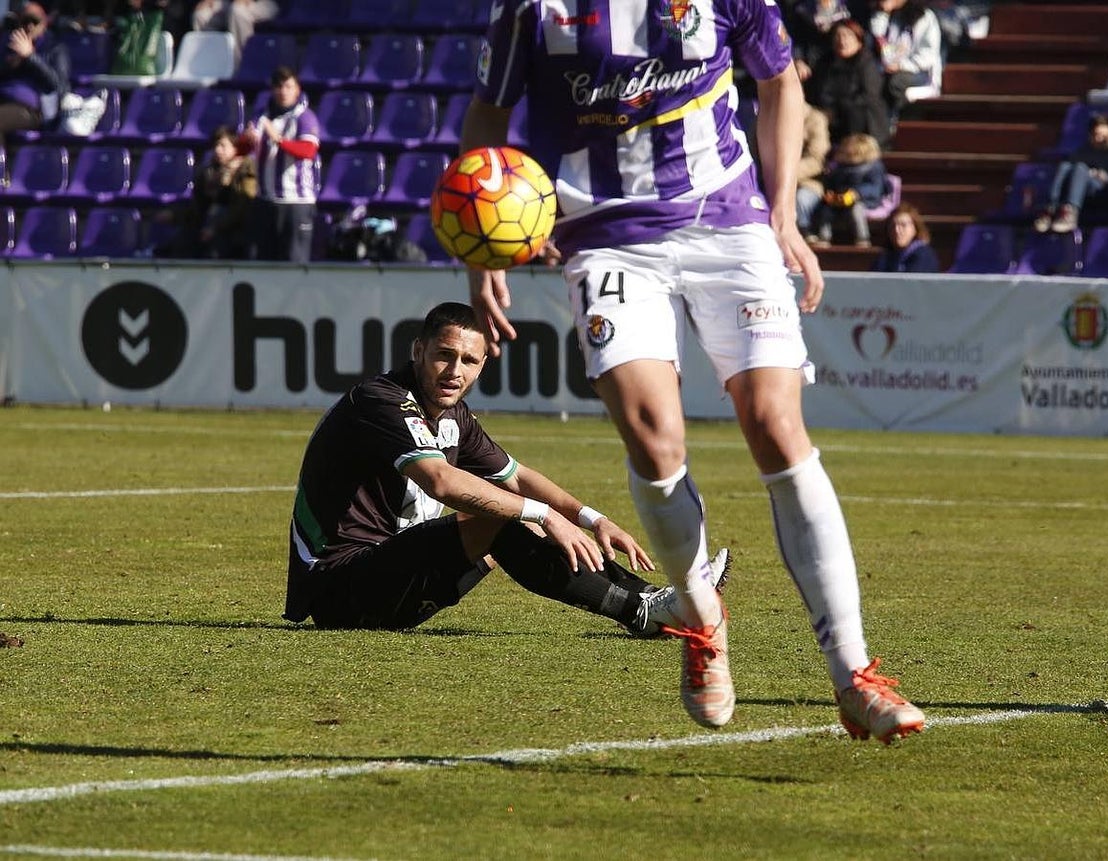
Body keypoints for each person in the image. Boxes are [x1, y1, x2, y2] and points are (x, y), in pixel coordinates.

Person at [462, 0, 925, 741]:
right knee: (655, 441)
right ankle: (699, 610)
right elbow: (488, 113)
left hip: (730, 221)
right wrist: (477, 253)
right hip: (606, 235)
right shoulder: (530, 8)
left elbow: (780, 83)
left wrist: (781, 215)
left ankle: (854, 674)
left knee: (776, 423)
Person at [284, 301, 729, 636]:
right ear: (418, 350)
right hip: (339, 589)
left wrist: (593, 519)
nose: (453, 371)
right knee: (503, 518)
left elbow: (516, 476)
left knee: (509, 515)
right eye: (444, 354)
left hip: (396, 585)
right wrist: (539, 514)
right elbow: (440, 481)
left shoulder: (454, 416)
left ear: (482, 365)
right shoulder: (380, 400)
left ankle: (654, 602)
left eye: (469, 361)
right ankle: (645, 609)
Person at [239, 65, 319, 263]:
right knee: (262, 261)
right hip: (265, 200)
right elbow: (242, 150)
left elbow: (308, 150)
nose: (283, 92)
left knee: (293, 263)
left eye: (289, 87)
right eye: (279, 87)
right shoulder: (261, 117)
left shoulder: (304, 118)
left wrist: (280, 140)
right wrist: (245, 140)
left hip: (295, 202)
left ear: (297, 89)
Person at [1033, 113, 1108, 235]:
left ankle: (1070, 212)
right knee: (1065, 166)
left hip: (1104, 192)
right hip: (1080, 190)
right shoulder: (1084, 151)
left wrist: (1101, 176)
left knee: (1081, 168)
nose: (1099, 139)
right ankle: (1049, 209)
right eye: (1096, 135)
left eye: (1104, 136)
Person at [805, 17, 890, 148]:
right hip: (828, 118)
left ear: (859, 41)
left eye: (847, 36)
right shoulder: (824, 63)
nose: (842, 41)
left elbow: (869, 96)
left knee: (855, 112)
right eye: (838, 36)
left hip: (861, 122)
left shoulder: (867, 63)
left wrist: (836, 110)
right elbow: (815, 92)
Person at [0, 2, 69, 144]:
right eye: (25, 21)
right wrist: (9, 65)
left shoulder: (55, 48)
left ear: (44, 23)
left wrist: (30, 57)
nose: (29, 26)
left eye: (35, 21)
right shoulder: (9, 44)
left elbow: (60, 86)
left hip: (33, 110)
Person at [187, 125, 256, 259]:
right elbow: (199, 205)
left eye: (223, 146)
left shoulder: (246, 169)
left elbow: (241, 208)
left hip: (235, 230)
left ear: (235, 147)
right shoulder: (209, 172)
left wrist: (215, 228)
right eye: (215, 146)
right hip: (210, 226)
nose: (218, 150)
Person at [808, 132, 888, 246]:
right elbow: (831, 183)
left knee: (856, 210)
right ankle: (824, 236)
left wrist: (857, 193)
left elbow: (875, 188)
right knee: (825, 209)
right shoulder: (839, 168)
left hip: (863, 200)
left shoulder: (873, 167)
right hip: (839, 199)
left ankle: (862, 238)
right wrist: (831, 194)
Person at [869, 0, 943, 123]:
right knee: (871, 82)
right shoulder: (885, 16)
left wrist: (901, 65)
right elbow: (878, 37)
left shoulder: (925, 16)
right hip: (888, 69)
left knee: (896, 82)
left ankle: (900, 124)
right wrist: (882, 12)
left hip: (919, 72)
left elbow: (929, 55)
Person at [191, 0, 278, 64]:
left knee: (238, 12)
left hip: (264, 3)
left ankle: (242, 64)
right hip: (231, 3)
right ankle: (209, 64)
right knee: (201, 14)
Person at [796, 102, 832, 239]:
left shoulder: (815, 118)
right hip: (768, 178)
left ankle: (806, 232)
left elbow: (817, 159)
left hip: (808, 182)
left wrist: (784, 176)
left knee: (801, 199)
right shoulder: (766, 113)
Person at [871, 202, 939, 271]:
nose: (897, 230)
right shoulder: (885, 257)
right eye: (892, 226)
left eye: (903, 225)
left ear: (915, 228)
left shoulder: (924, 256)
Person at [107, 0, 164, 77]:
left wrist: (144, 3)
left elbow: (162, 4)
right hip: (121, 66)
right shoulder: (126, 14)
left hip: (144, 66)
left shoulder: (154, 15)